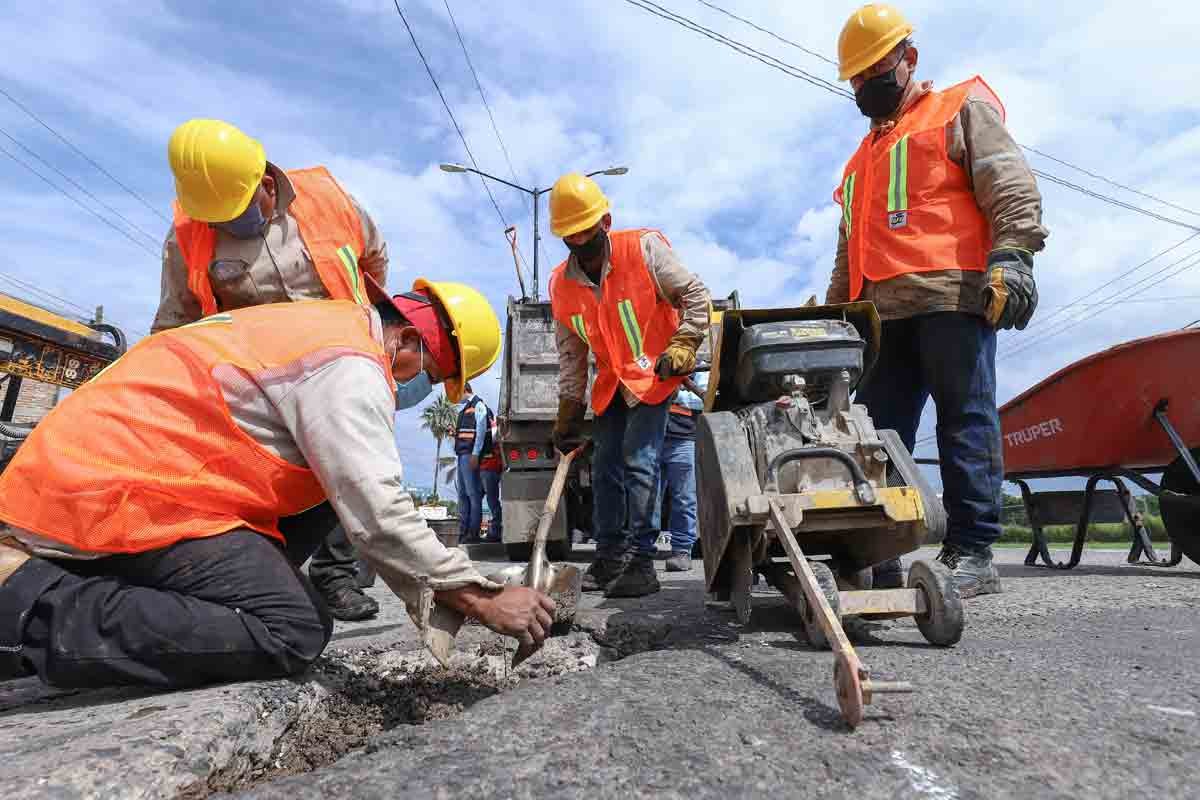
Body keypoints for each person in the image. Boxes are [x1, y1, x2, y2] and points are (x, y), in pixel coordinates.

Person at [0, 274, 557, 689]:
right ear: (406, 342)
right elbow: (379, 512)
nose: (422, 391)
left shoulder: (324, 326)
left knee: (322, 491)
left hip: (117, 476)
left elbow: (354, 497)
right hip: (116, 493)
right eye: (430, 375)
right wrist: (481, 597)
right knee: (290, 629)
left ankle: (170, 599)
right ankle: (30, 597)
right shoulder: (351, 364)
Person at [828, 4, 1048, 597]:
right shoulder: (857, 164)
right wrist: (832, 320)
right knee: (877, 438)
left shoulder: (958, 109)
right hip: (880, 316)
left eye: (875, 69)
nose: (864, 84)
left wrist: (1013, 259)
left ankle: (973, 552)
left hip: (952, 298)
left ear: (908, 60)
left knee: (964, 421)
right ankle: (880, 552)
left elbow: (1009, 185)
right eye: (855, 77)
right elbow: (849, 252)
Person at [152, 118, 388, 621]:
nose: (228, 225)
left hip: (334, 360)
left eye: (236, 213)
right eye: (219, 220)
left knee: (343, 463)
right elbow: (173, 322)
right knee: (270, 483)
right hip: (258, 379)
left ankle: (335, 576)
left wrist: (364, 325)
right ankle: (269, 578)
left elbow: (374, 256)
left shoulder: (330, 199)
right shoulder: (189, 235)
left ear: (264, 182)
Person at [548, 173, 711, 598]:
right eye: (571, 237)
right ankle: (610, 557)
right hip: (610, 384)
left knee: (640, 461)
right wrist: (567, 416)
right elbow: (571, 357)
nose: (580, 244)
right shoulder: (561, 286)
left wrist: (686, 341)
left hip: (652, 375)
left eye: (587, 232)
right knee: (604, 472)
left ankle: (642, 562)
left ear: (605, 222)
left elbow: (694, 293)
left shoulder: (642, 249)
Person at [657, 372, 707, 572]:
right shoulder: (648, 364)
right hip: (649, 438)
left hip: (683, 440)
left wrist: (674, 394)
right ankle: (640, 552)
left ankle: (682, 550)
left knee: (684, 498)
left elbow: (705, 399)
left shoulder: (699, 371)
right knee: (645, 498)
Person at [454, 382, 492, 544]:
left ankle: (473, 532)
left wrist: (476, 455)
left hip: (470, 455)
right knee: (463, 495)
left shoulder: (479, 406)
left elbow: (481, 432)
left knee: (473, 495)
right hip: (462, 455)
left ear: (464, 390)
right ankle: (463, 532)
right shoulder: (466, 409)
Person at [479, 409, 504, 543]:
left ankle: (495, 531)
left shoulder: (492, 429)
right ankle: (495, 530)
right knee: (490, 500)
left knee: (492, 501)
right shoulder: (493, 429)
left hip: (489, 468)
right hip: (489, 468)